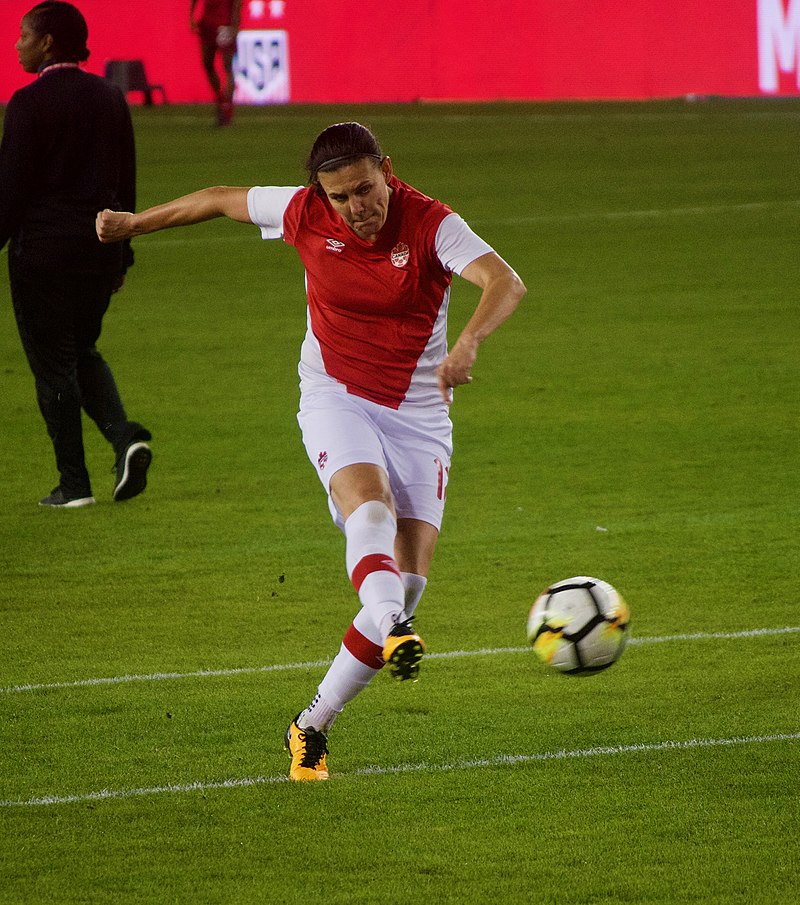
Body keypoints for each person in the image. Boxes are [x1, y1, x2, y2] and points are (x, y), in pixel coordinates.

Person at [96, 121, 526, 780]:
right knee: (370, 509)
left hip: (418, 413)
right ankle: (395, 627)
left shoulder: (431, 223)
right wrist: (134, 225)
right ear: (319, 195)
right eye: (342, 196)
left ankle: (311, 724)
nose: (358, 207)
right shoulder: (301, 212)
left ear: (388, 168)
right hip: (337, 396)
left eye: (366, 188)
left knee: (407, 580)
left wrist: (468, 342)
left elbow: (504, 281)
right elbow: (216, 198)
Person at [1, 1, 152, 509]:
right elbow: (125, 182)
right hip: (98, 250)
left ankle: (74, 486)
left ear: (47, 43)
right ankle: (126, 436)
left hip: (41, 253)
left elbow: (11, 191)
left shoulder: (26, 103)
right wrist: (122, 255)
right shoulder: (110, 98)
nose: (17, 43)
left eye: (24, 35)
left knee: (53, 367)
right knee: (80, 351)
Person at [189, 0, 242, 126]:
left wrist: (235, 25)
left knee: (227, 66)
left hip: (224, 25)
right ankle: (221, 99)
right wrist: (191, 15)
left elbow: (237, 3)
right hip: (207, 23)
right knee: (207, 63)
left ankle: (226, 106)